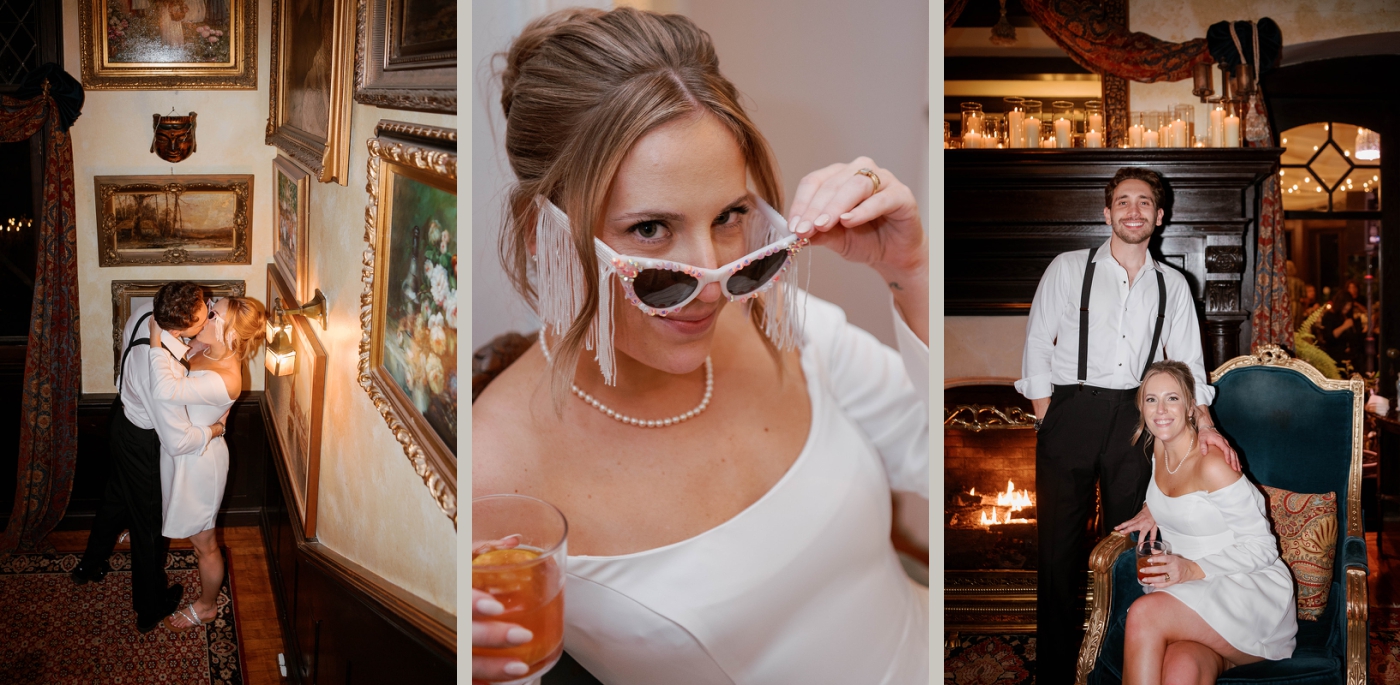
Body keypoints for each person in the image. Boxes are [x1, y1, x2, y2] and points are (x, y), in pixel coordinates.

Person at [471, 7, 929, 684]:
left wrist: (912, 272)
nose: (711, 282)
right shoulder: (493, 475)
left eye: (730, 217)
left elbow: (938, 459)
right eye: (651, 228)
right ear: (546, 236)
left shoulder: (783, 320)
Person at [1016, 167, 1237, 685]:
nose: (1133, 210)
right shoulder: (1068, 269)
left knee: (1133, 550)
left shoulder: (1173, 285)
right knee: (1057, 555)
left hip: (1136, 423)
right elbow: (1035, 345)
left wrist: (1205, 426)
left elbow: (1188, 367)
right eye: (1123, 201)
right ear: (1107, 212)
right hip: (1069, 413)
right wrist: (1049, 420)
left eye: (1144, 203)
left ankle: (1118, 665)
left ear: (1159, 218)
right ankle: (1053, 673)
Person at [1115, 361, 1296, 684]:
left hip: (1245, 592)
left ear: (1189, 408)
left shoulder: (1212, 463)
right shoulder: (1160, 448)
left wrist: (1191, 569)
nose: (1161, 410)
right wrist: (1151, 507)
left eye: (1172, 398)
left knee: (1144, 613)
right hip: (1191, 596)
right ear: (1141, 407)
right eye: (1151, 399)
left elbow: (1263, 547)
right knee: (1181, 669)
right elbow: (1182, 499)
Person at [72, 282, 223, 633]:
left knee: (115, 499)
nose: (210, 312)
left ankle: (89, 566)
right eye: (204, 315)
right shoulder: (162, 372)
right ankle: (150, 608)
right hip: (142, 441)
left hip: (120, 421)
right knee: (148, 526)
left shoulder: (145, 313)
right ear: (180, 328)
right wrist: (214, 431)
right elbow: (178, 441)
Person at [146, 295, 266, 630]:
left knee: (206, 545)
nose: (204, 314)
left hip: (200, 465)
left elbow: (166, 390)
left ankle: (207, 605)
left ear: (229, 335)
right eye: (212, 305)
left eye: (212, 314)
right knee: (190, 529)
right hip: (183, 451)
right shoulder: (203, 348)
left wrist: (156, 339)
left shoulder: (226, 378)